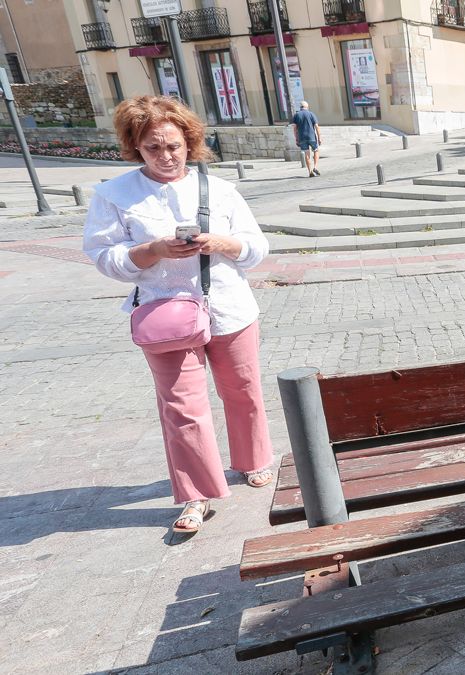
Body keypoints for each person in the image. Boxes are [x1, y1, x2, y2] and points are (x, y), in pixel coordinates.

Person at [83, 96, 275, 535]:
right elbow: (102, 256)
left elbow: (256, 249)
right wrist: (152, 251)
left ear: (189, 142)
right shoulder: (114, 195)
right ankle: (195, 494)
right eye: (154, 148)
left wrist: (221, 244)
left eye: (174, 145)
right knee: (181, 407)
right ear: (135, 147)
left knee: (242, 391)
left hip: (229, 307)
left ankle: (253, 459)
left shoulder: (221, 189)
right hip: (164, 313)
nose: (166, 156)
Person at [291, 100, 321, 177]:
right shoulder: (311, 114)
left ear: (300, 107)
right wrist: (319, 137)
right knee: (316, 150)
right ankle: (315, 167)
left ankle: (310, 171)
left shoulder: (296, 115)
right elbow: (317, 127)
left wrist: (296, 138)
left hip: (302, 138)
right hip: (312, 137)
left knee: (307, 154)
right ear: (307, 107)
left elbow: (294, 128)